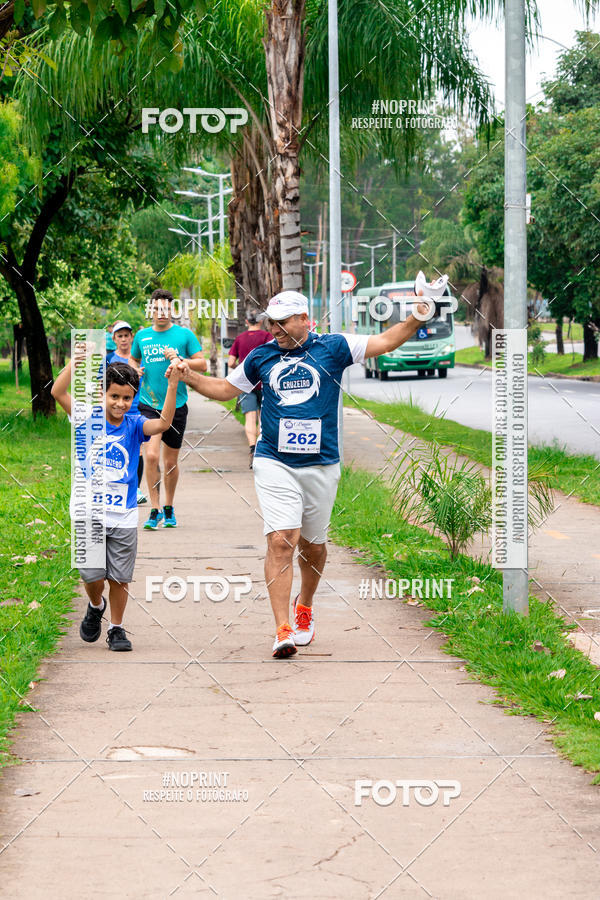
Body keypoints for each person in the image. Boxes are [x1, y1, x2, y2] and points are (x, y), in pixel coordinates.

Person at [169, 289, 432, 658]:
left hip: (322, 464)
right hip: (274, 460)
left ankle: (304, 604)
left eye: (282, 322)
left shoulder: (334, 347)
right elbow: (227, 389)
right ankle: (282, 629)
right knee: (281, 540)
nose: (274, 329)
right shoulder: (261, 356)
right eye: (271, 323)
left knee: (313, 545)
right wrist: (189, 379)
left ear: (304, 320)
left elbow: (388, 340)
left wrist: (418, 316)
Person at [51, 355, 181, 651]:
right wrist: (74, 363)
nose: (119, 403)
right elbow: (57, 392)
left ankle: (117, 628)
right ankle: (96, 606)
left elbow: (164, 422)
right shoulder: (86, 419)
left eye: (126, 398)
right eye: (113, 396)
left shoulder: (135, 424)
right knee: (92, 574)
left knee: (120, 577)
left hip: (122, 515)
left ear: (133, 398)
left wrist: (172, 384)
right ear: (102, 394)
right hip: (87, 512)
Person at [130, 289, 207, 530]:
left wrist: (180, 359)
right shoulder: (142, 336)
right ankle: (154, 510)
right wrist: (136, 370)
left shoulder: (183, 335)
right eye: (156, 309)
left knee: (171, 462)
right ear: (150, 310)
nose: (161, 313)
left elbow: (202, 364)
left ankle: (168, 507)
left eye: (165, 309)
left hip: (176, 405)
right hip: (148, 404)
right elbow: (133, 359)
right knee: (151, 456)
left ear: (172, 311)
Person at [106, 320, 146, 505]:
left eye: (126, 335)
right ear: (114, 338)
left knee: (137, 449)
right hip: (114, 410)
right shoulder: (108, 359)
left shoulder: (139, 358)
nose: (123, 339)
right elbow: (102, 386)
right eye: (119, 336)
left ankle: (136, 488)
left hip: (136, 407)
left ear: (131, 337)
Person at [227, 310, 272, 467]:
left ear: (246, 321)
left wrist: (241, 366)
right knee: (263, 418)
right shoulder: (267, 337)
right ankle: (260, 450)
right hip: (265, 384)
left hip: (246, 384)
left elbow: (230, 362)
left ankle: (252, 449)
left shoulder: (240, 339)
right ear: (260, 321)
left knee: (250, 418)